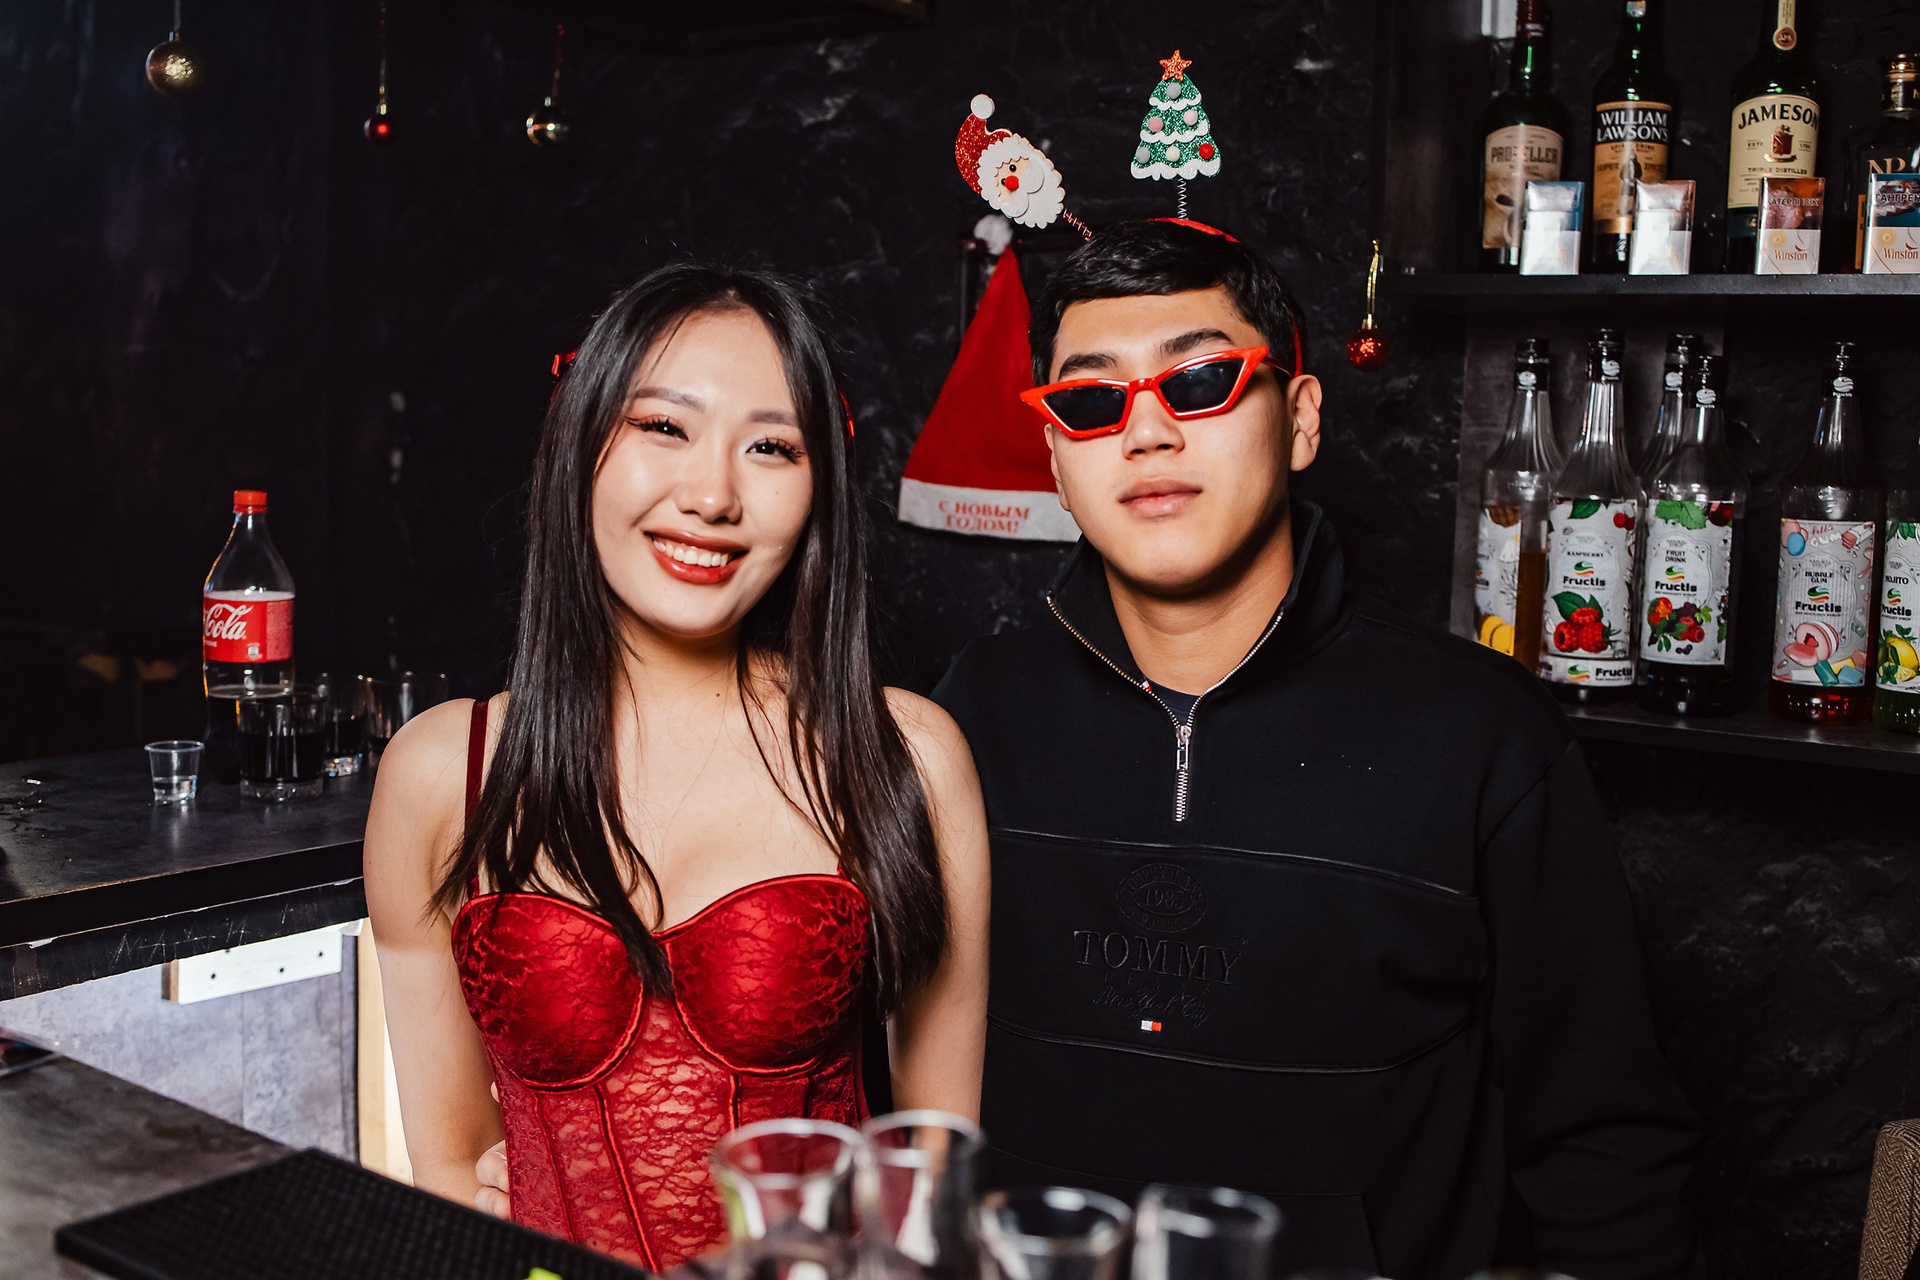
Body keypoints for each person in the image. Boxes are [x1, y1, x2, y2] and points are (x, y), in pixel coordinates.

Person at [929, 220, 1698, 1280]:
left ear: (1298, 419)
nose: (1145, 432)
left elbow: (1602, 1142)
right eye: (1093, 401)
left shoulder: (1480, 734)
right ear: (1057, 459)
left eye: (1200, 382)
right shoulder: (969, 714)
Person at [364, 263, 990, 1272]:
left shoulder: (904, 754)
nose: (710, 495)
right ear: (581, 445)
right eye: (663, 426)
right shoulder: (446, 772)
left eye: (771, 446)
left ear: (820, 488)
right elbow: (451, 1171)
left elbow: (932, 1179)